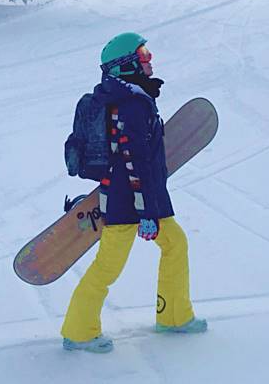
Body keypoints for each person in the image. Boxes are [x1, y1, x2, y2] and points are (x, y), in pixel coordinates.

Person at [60, 32, 208, 353]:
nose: (149, 58)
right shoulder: (131, 105)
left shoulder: (133, 98)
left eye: (148, 51)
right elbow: (133, 161)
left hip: (141, 197)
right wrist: (146, 213)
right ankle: (79, 331)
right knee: (108, 267)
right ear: (126, 65)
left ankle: (174, 316)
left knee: (175, 244)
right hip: (127, 202)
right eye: (142, 53)